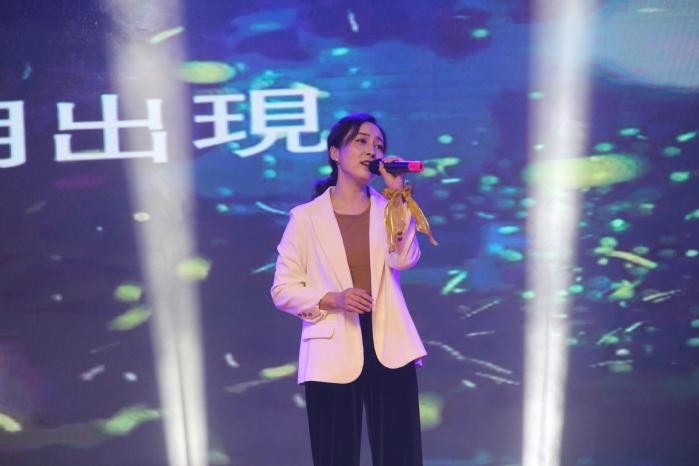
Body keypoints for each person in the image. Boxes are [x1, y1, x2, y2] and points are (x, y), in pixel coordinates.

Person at [271, 113, 429, 466]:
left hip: (390, 341)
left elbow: (404, 260)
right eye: (361, 141)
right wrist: (333, 298)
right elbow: (283, 289)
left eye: (379, 145)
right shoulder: (305, 218)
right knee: (335, 454)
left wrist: (398, 196)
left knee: (400, 454)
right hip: (331, 342)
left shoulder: (390, 208)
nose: (372, 150)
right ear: (335, 153)